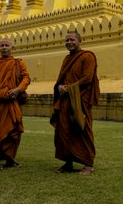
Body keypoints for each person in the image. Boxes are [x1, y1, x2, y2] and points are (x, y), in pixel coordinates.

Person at [51, 31, 100, 174]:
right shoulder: (67, 59)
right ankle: (68, 163)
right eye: (66, 40)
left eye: (72, 40)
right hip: (65, 100)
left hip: (80, 100)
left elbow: (88, 78)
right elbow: (62, 79)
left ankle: (88, 164)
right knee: (64, 132)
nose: (69, 42)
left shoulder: (88, 56)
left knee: (83, 131)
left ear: (79, 41)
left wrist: (69, 88)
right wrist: (60, 86)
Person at [0, 37, 31, 171]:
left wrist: (18, 89)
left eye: (7, 45)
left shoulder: (18, 63)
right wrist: (3, 93)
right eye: (2, 45)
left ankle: (10, 158)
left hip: (13, 103)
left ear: (12, 48)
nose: (4, 47)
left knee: (14, 131)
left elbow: (26, 77)